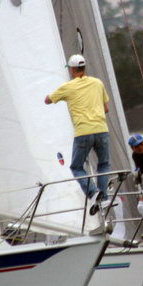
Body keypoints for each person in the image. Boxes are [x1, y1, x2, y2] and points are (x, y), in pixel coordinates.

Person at [45, 54, 110, 201]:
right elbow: (106, 108)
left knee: (77, 167)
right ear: (84, 68)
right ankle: (104, 198)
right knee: (104, 165)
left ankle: (93, 193)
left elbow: (47, 100)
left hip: (83, 132)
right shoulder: (98, 83)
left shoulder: (67, 87)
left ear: (72, 69)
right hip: (102, 129)